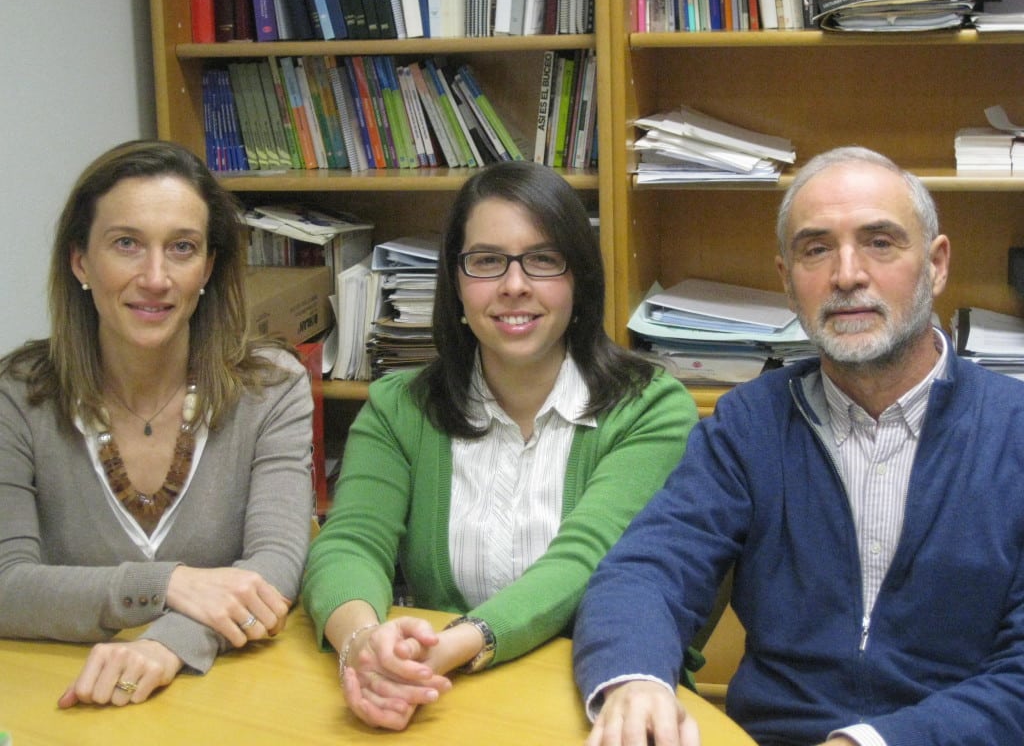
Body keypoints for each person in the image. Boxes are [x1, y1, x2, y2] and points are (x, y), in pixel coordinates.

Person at [573, 146, 1024, 746]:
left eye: (880, 242)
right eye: (816, 249)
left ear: (937, 265)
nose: (847, 275)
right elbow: (648, 570)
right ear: (787, 280)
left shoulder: (1013, 432)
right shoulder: (748, 425)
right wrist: (635, 679)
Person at [302, 160, 697, 731]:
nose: (515, 285)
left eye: (543, 259)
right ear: (456, 284)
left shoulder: (650, 409)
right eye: (487, 261)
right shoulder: (399, 407)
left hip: (598, 702)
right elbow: (349, 544)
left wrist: (456, 644)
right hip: (448, 706)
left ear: (579, 279)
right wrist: (366, 645)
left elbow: (586, 563)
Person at [0, 140, 314, 707]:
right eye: (126, 244)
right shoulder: (18, 397)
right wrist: (167, 583)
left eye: (182, 248)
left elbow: (273, 570)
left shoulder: (273, 388)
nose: (155, 277)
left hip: (227, 700)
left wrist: (165, 644)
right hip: (57, 700)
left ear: (208, 267)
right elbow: (5, 586)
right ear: (80, 261)